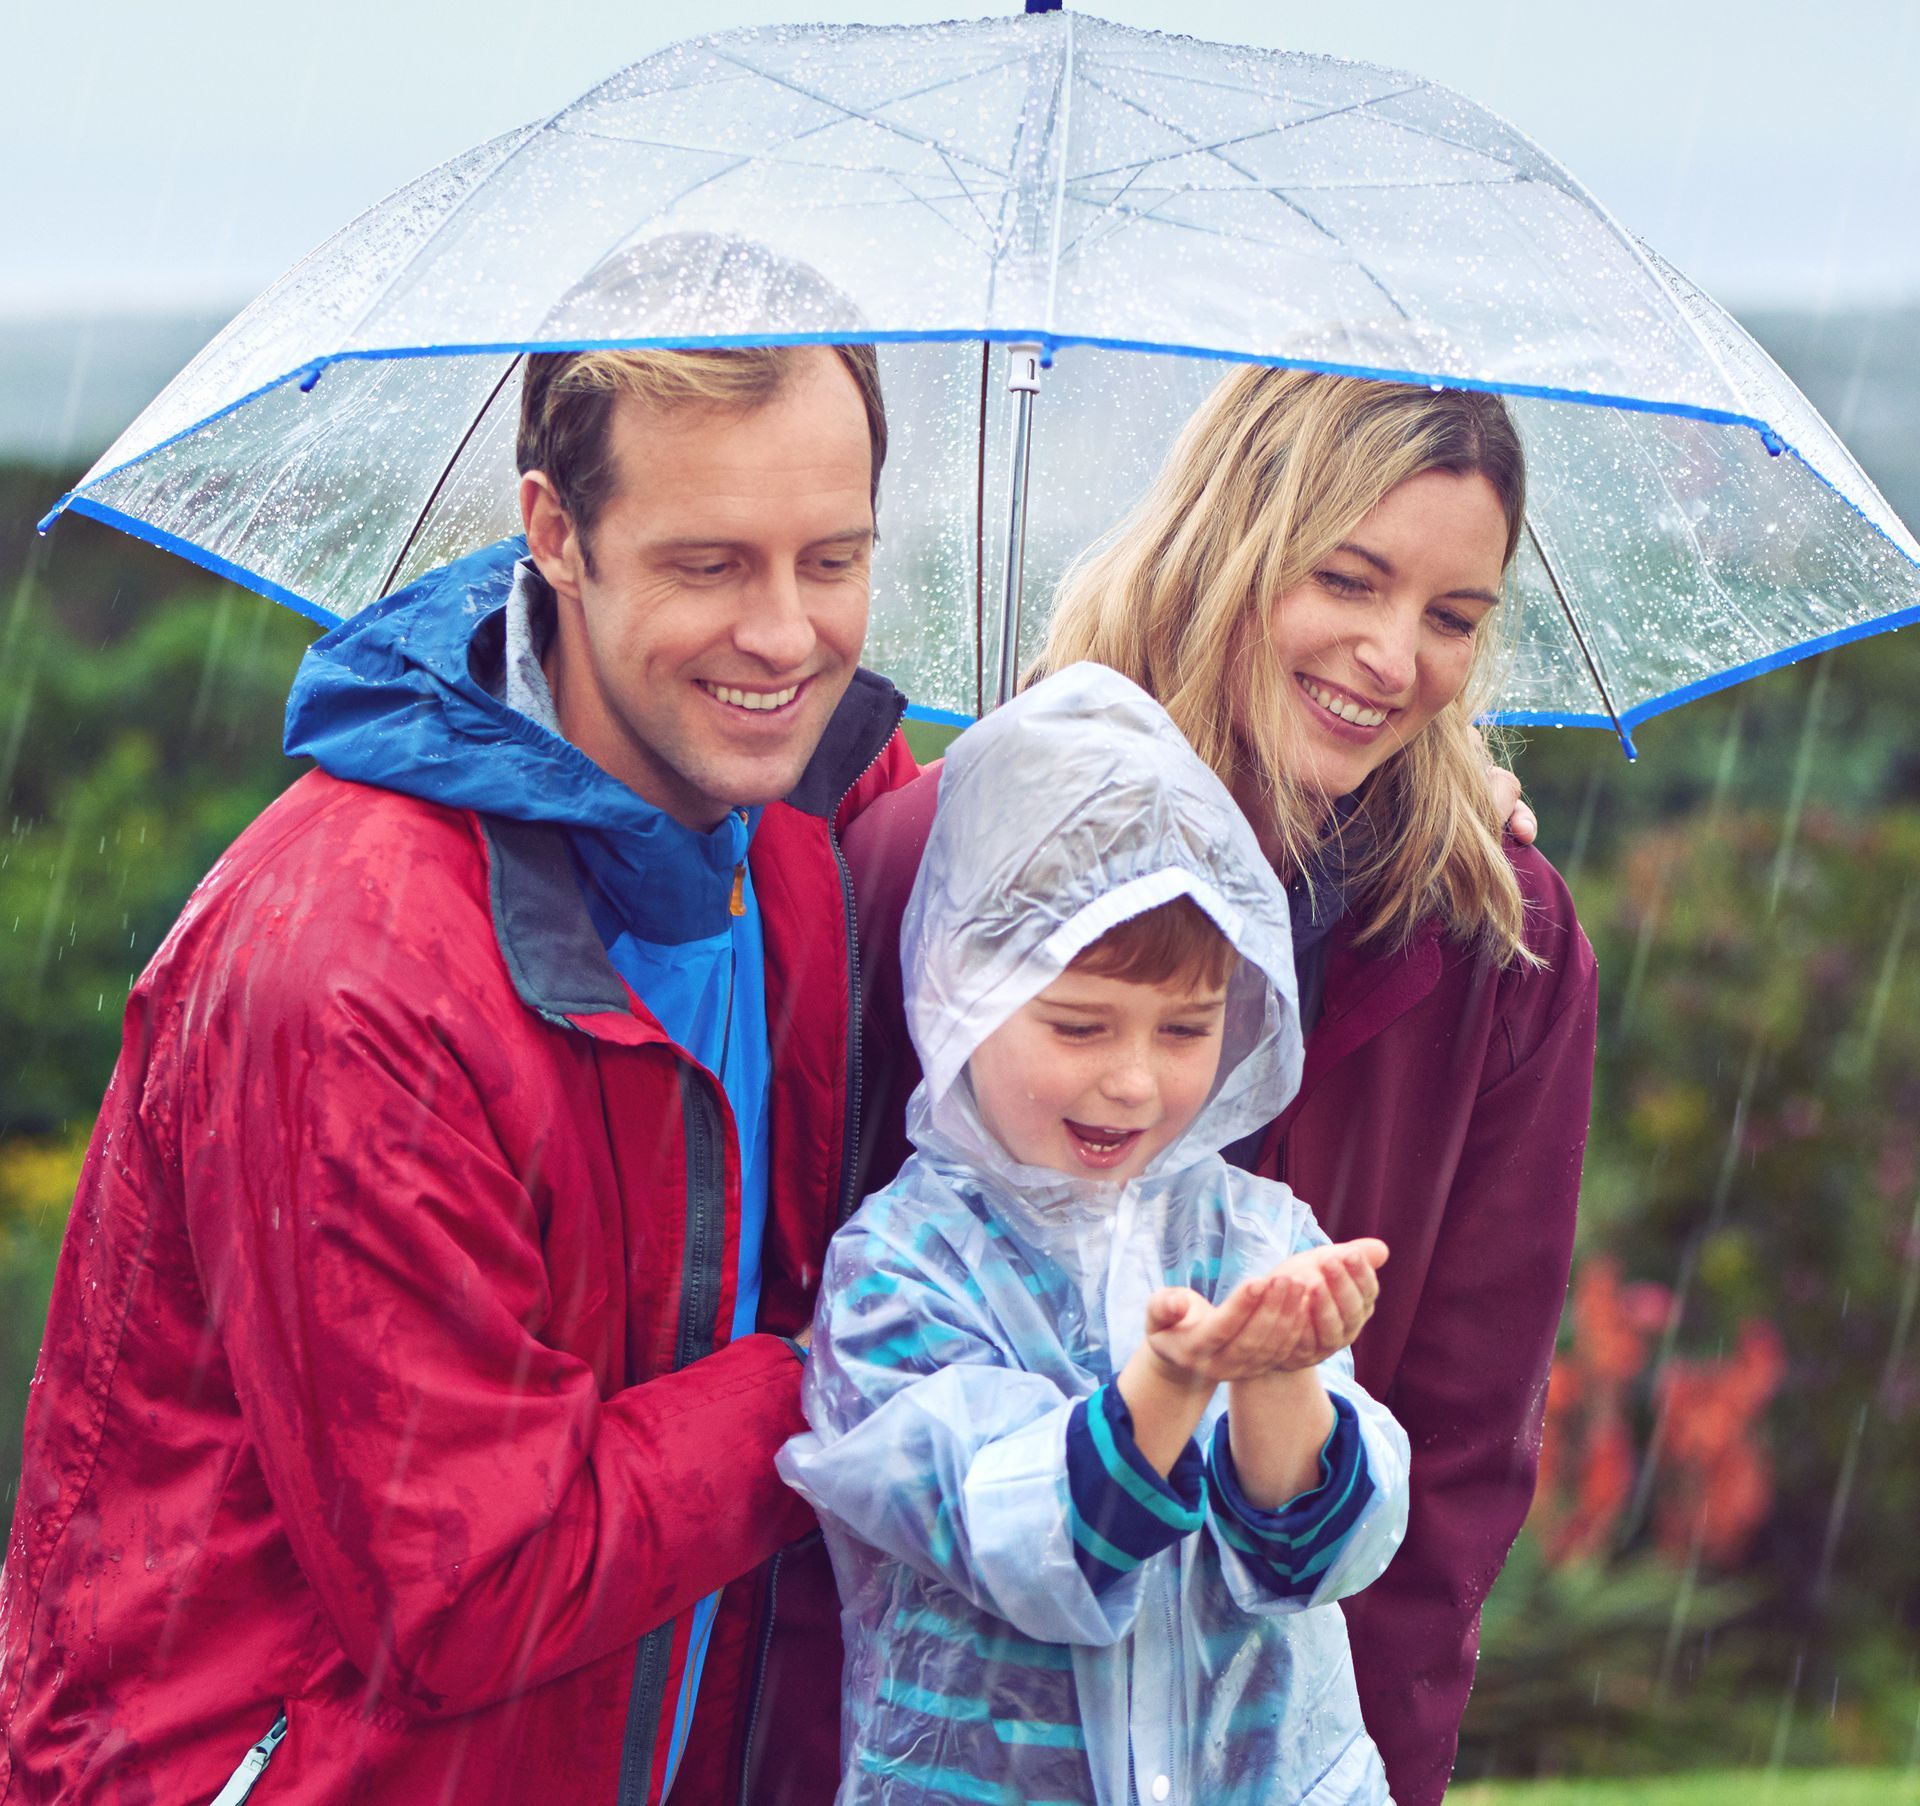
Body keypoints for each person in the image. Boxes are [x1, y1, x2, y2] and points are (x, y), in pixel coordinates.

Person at [0, 330, 917, 1804]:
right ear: (554, 531)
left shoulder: (811, 819)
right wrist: (853, 1375)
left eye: (833, 559)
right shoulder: (352, 966)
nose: (787, 634)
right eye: (709, 564)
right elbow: (472, 1584)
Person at [843, 369, 1599, 1806]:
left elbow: (1456, 1450)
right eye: (1349, 578)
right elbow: (844, 1378)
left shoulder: (1503, 940)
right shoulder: (939, 865)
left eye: (1453, 618)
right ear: (1230, 543)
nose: (1393, 659)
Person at [779, 663, 1410, 1806]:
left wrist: (1279, 1380)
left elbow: (1313, 1560)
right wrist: (1168, 1383)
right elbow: (1018, 1542)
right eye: (1079, 1024)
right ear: (963, 990)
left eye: (1185, 1028)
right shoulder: (902, 1274)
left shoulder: (1258, 1232)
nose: (1132, 1080)